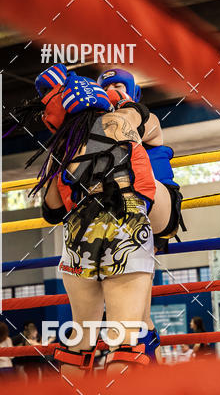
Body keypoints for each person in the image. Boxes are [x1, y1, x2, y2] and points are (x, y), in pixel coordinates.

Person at [27, 64, 157, 378]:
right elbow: (146, 126)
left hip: (78, 234)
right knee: (124, 340)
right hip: (125, 224)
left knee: (79, 340)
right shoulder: (121, 121)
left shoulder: (63, 144)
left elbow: (52, 210)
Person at [97, 68, 187, 363]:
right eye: (107, 86)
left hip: (158, 206)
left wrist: (120, 107)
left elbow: (128, 131)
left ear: (134, 91)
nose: (112, 90)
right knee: (139, 316)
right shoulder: (97, 130)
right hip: (125, 224)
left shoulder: (148, 119)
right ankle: (156, 373)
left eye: (119, 85)